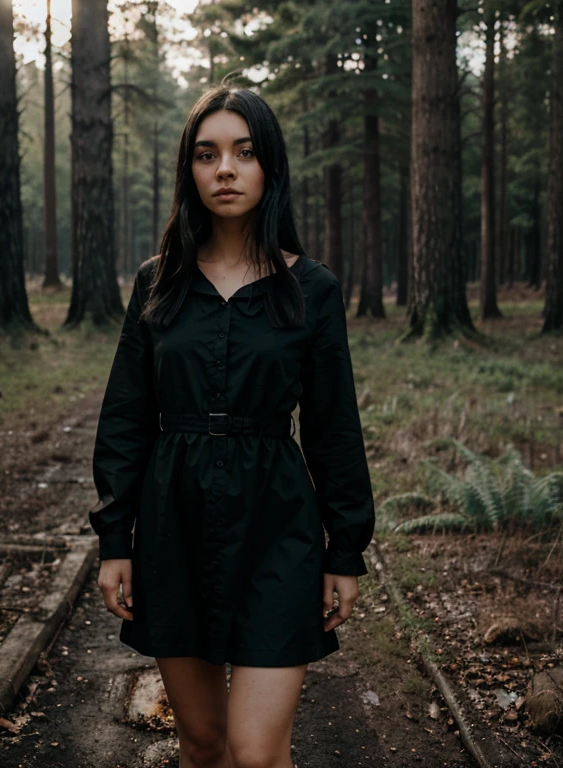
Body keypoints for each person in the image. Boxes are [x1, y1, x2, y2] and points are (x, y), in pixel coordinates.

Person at [89, 84, 375, 768]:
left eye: (244, 153)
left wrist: (345, 551)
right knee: (204, 743)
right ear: (188, 171)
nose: (225, 169)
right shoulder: (157, 284)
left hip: (279, 529)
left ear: (269, 166)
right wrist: (114, 540)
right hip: (173, 526)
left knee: (254, 751)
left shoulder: (313, 289)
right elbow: (126, 416)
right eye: (207, 154)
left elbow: (334, 426)